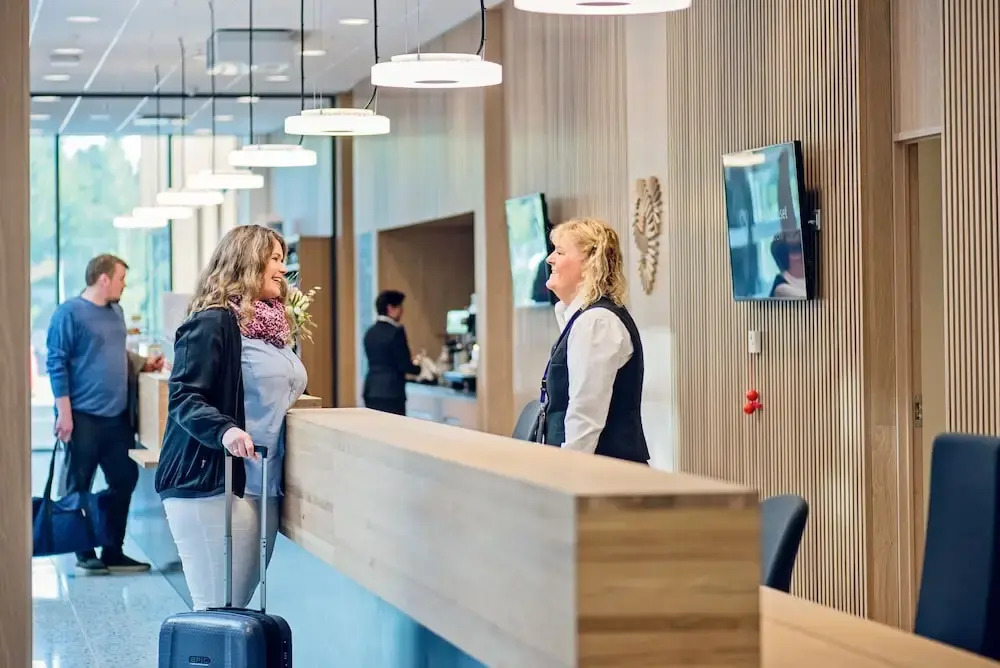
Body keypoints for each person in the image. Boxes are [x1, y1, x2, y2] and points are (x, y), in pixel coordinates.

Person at [155, 224, 307, 611]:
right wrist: (224, 430)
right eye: (274, 259)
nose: (283, 268)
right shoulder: (212, 321)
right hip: (213, 483)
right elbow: (184, 396)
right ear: (248, 261)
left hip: (261, 483)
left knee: (234, 609)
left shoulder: (271, 329)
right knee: (216, 609)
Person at [46, 253, 165, 575]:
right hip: (82, 416)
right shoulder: (69, 313)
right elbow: (56, 362)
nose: (124, 285)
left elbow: (113, 351)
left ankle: (113, 549)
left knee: (124, 479)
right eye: (121, 279)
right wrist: (64, 413)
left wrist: (143, 364)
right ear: (104, 279)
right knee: (78, 486)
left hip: (117, 418)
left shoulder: (116, 312)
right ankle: (83, 551)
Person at [538, 217, 649, 464]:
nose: (550, 259)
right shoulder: (582, 319)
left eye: (560, 252)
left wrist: (567, 474)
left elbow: (585, 414)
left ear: (590, 262)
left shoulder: (596, 321)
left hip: (605, 475)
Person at [362, 290, 420, 416]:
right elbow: (404, 365)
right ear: (390, 308)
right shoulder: (396, 332)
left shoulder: (370, 333)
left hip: (371, 390)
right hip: (391, 393)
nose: (402, 311)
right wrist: (418, 368)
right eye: (399, 307)